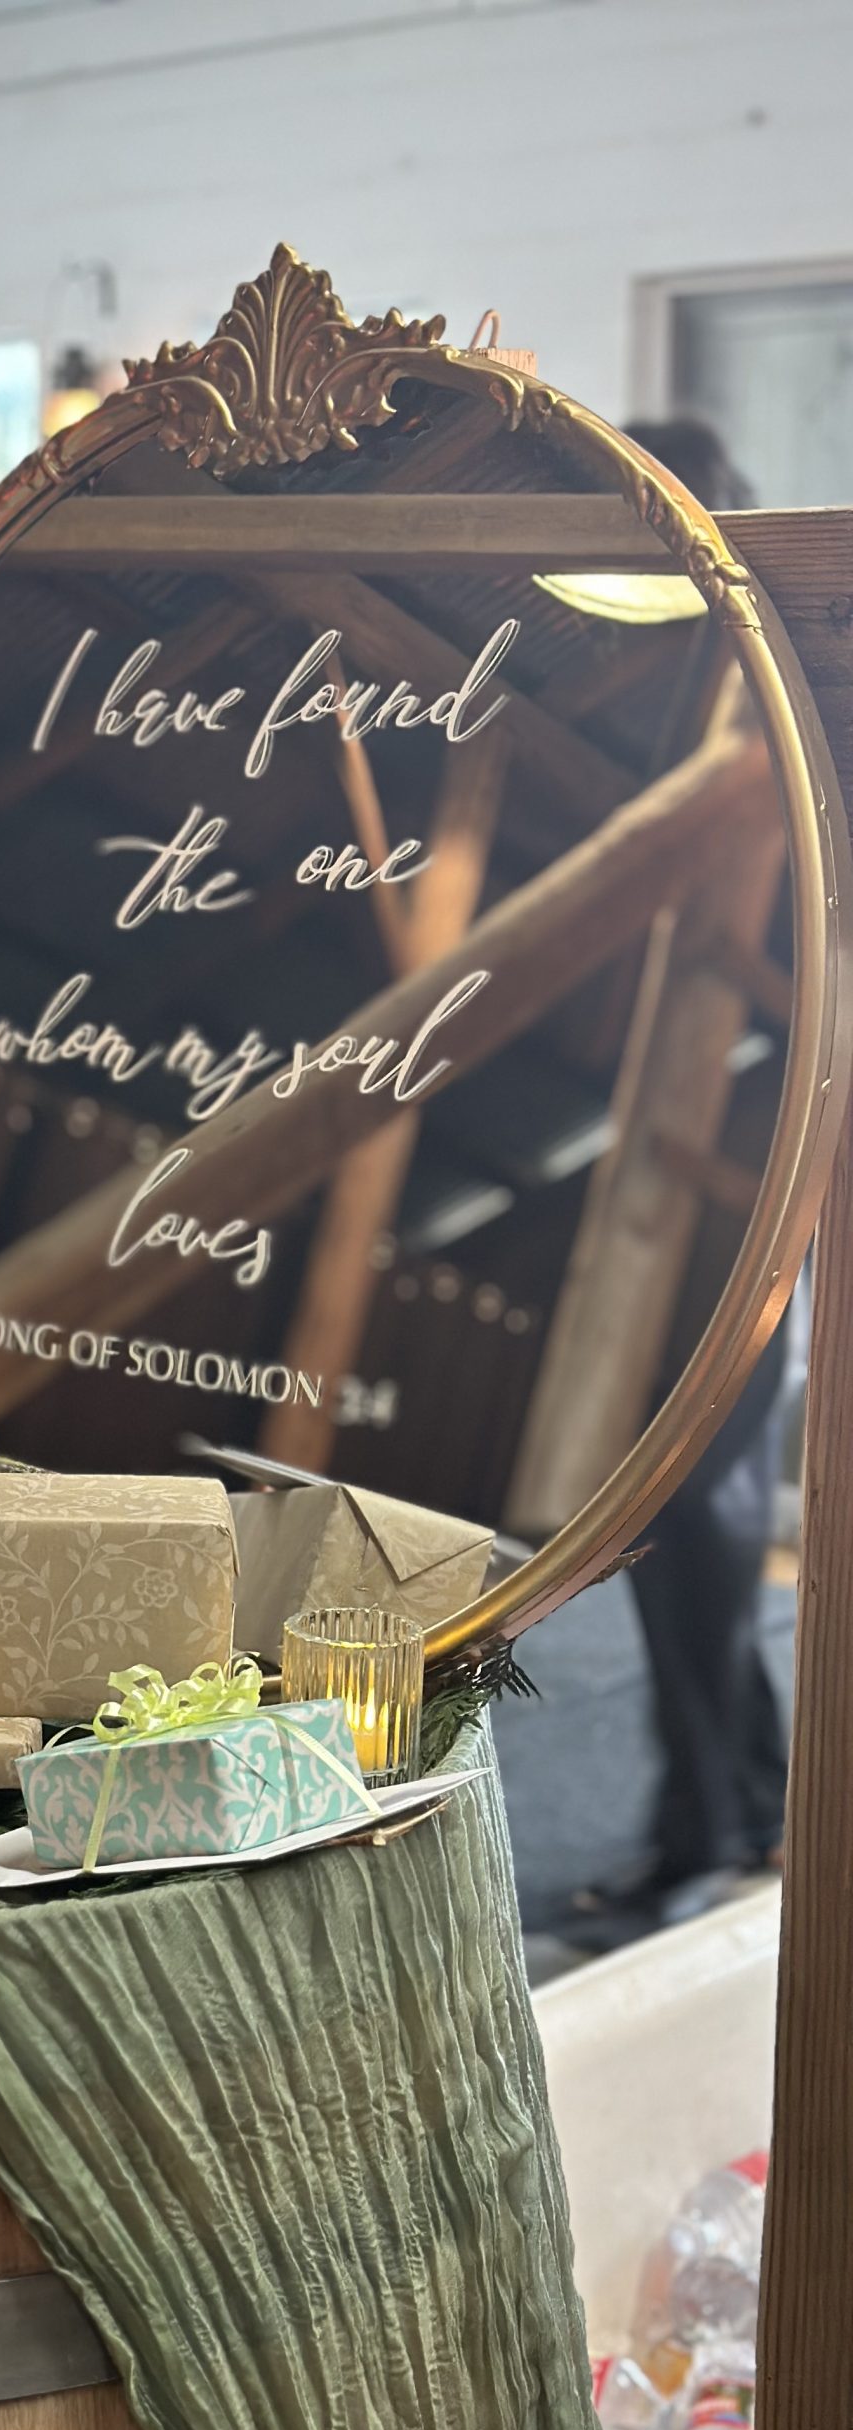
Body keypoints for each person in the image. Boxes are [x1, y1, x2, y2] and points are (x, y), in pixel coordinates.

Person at [566, 415, 793, 1946]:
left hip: (747, 1179)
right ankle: (742, 1802)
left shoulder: (775, 703)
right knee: (688, 1511)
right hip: (678, 1168)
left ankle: (709, 1828)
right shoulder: (670, 689)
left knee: (695, 1508)